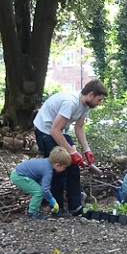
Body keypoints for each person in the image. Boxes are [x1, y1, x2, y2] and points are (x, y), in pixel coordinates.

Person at [34, 79, 107, 217]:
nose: (99, 103)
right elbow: (54, 131)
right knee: (59, 168)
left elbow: (78, 127)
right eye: (99, 99)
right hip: (44, 131)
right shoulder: (70, 102)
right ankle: (57, 209)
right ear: (91, 95)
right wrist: (71, 151)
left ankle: (75, 207)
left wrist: (87, 149)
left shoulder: (86, 106)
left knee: (73, 167)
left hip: (58, 131)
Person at [11, 147, 71, 219]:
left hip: (18, 174)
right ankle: (32, 213)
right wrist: (52, 201)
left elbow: (41, 182)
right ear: (57, 165)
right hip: (19, 176)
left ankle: (35, 210)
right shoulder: (48, 171)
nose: (64, 169)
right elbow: (45, 190)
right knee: (39, 191)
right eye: (64, 167)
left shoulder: (46, 162)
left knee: (39, 189)